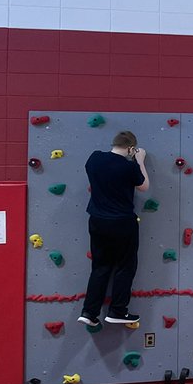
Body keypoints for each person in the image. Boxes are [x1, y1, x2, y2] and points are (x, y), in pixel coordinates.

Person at [78, 131, 150, 328]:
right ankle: (117, 310)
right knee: (126, 266)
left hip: (97, 221)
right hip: (122, 222)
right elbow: (144, 186)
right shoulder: (129, 167)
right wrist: (140, 160)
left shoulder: (94, 158)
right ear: (130, 148)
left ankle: (89, 311)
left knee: (100, 267)